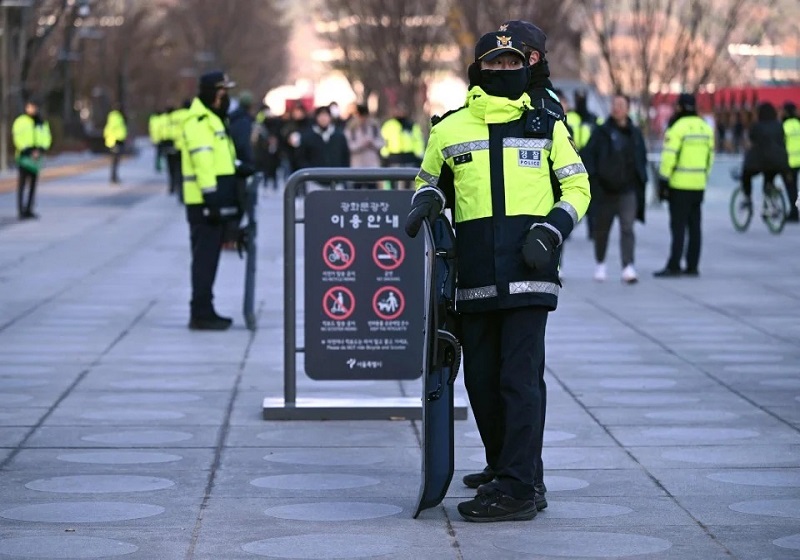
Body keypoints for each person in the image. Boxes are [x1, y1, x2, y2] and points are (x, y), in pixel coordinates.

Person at [405, 30, 590, 522]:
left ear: (525, 67)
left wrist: (552, 230)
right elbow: (429, 180)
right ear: (478, 69)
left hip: (530, 276)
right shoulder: (448, 129)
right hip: (474, 279)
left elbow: (577, 185)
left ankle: (518, 489)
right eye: (495, 63)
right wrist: (426, 199)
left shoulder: (546, 124)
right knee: (483, 382)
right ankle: (507, 469)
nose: (504, 70)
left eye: (512, 63)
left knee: (519, 381)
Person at [181, 70, 239, 330]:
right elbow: (202, 161)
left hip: (215, 198)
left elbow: (220, 158)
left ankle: (206, 308)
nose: (225, 96)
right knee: (204, 259)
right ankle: (201, 312)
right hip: (204, 202)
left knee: (210, 258)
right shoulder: (199, 121)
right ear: (212, 92)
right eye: (222, 91)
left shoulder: (214, 119)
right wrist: (211, 196)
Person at [582, 93, 648, 284]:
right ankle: (600, 264)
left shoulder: (635, 133)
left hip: (628, 190)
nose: (616, 108)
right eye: (614, 104)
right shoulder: (601, 132)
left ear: (627, 108)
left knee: (627, 228)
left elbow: (640, 158)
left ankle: (628, 266)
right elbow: (589, 155)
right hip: (605, 191)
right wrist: (594, 180)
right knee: (601, 229)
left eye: (620, 105)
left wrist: (640, 179)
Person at [654, 93, 714, 278]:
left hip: (679, 185)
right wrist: (703, 177)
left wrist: (663, 180)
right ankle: (692, 265)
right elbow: (710, 158)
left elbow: (669, 156)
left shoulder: (677, 128)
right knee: (695, 226)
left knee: (678, 227)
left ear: (679, 107)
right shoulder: (705, 127)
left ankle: (674, 265)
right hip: (698, 185)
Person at [740, 102, 792, 220]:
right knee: (769, 179)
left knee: (746, 174)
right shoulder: (779, 126)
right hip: (779, 161)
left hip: (761, 161)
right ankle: (770, 205)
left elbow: (751, 140)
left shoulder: (757, 126)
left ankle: (747, 198)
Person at [12, 99, 51, 220]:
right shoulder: (21, 121)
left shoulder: (41, 122)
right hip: (24, 156)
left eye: (34, 107)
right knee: (22, 184)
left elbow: (46, 137)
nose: (32, 109)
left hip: (36, 157)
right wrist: (28, 150)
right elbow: (17, 137)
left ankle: (29, 209)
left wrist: (40, 149)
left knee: (33, 185)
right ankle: (21, 210)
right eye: (30, 107)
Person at [297, 105, 351, 187]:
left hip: (337, 181)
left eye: (326, 115)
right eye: (320, 116)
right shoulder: (307, 136)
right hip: (314, 182)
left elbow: (345, 156)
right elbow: (301, 157)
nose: (323, 118)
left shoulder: (339, 135)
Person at [380, 102, 424, 189]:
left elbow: (418, 141)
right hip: (393, 157)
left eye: (402, 110)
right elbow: (384, 141)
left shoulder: (412, 125)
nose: (400, 112)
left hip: (409, 157)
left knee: (408, 183)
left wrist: (419, 156)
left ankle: (405, 200)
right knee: (393, 182)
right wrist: (384, 155)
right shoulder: (388, 125)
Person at [345, 104, 384, 189]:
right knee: (357, 192)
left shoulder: (374, 126)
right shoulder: (351, 128)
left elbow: (381, 143)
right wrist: (361, 144)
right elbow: (349, 146)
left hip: (372, 165)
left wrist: (372, 143)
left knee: (372, 191)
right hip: (357, 166)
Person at [782, 102, 799, 222]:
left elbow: (781, 146)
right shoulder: (798, 124)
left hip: (789, 162)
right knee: (795, 187)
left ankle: (794, 212)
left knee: (790, 188)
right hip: (799, 160)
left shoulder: (784, 126)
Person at [103, 105, 127, 184]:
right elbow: (114, 130)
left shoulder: (113, 117)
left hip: (115, 141)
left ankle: (114, 177)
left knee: (115, 160)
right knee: (115, 160)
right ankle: (113, 177)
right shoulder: (116, 117)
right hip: (115, 141)